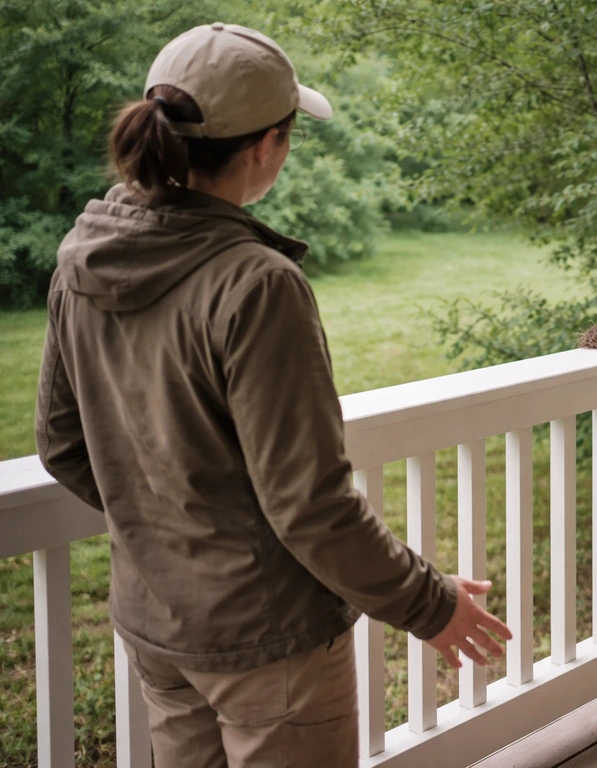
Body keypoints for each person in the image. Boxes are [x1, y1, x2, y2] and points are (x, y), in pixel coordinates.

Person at [35, 22, 511, 768]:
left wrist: (172, 533)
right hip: (270, 642)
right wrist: (431, 604)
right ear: (264, 147)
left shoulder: (81, 260)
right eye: (288, 136)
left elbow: (64, 445)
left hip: (158, 624)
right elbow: (310, 506)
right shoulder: (258, 285)